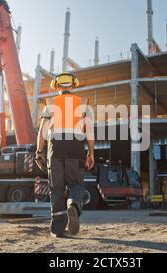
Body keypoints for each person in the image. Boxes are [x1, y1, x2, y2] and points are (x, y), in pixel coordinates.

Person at [35, 72, 95, 238]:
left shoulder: (50, 104)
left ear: (57, 86)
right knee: (76, 184)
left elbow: (42, 131)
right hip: (75, 149)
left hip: (55, 149)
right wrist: (91, 154)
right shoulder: (84, 105)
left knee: (56, 189)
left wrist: (39, 151)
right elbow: (89, 131)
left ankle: (57, 229)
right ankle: (74, 205)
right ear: (73, 85)